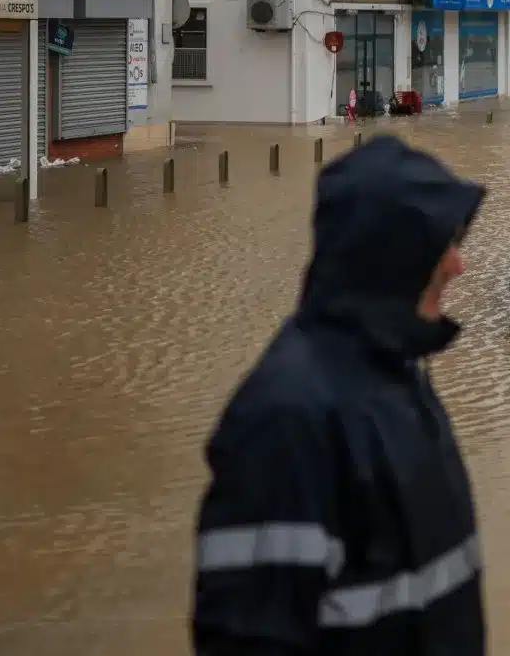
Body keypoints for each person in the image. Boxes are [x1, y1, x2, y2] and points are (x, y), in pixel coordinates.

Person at [191, 135, 487, 655]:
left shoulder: (401, 376)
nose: (457, 265)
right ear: (389, 257)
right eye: (440, 245)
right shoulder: (287, 421)